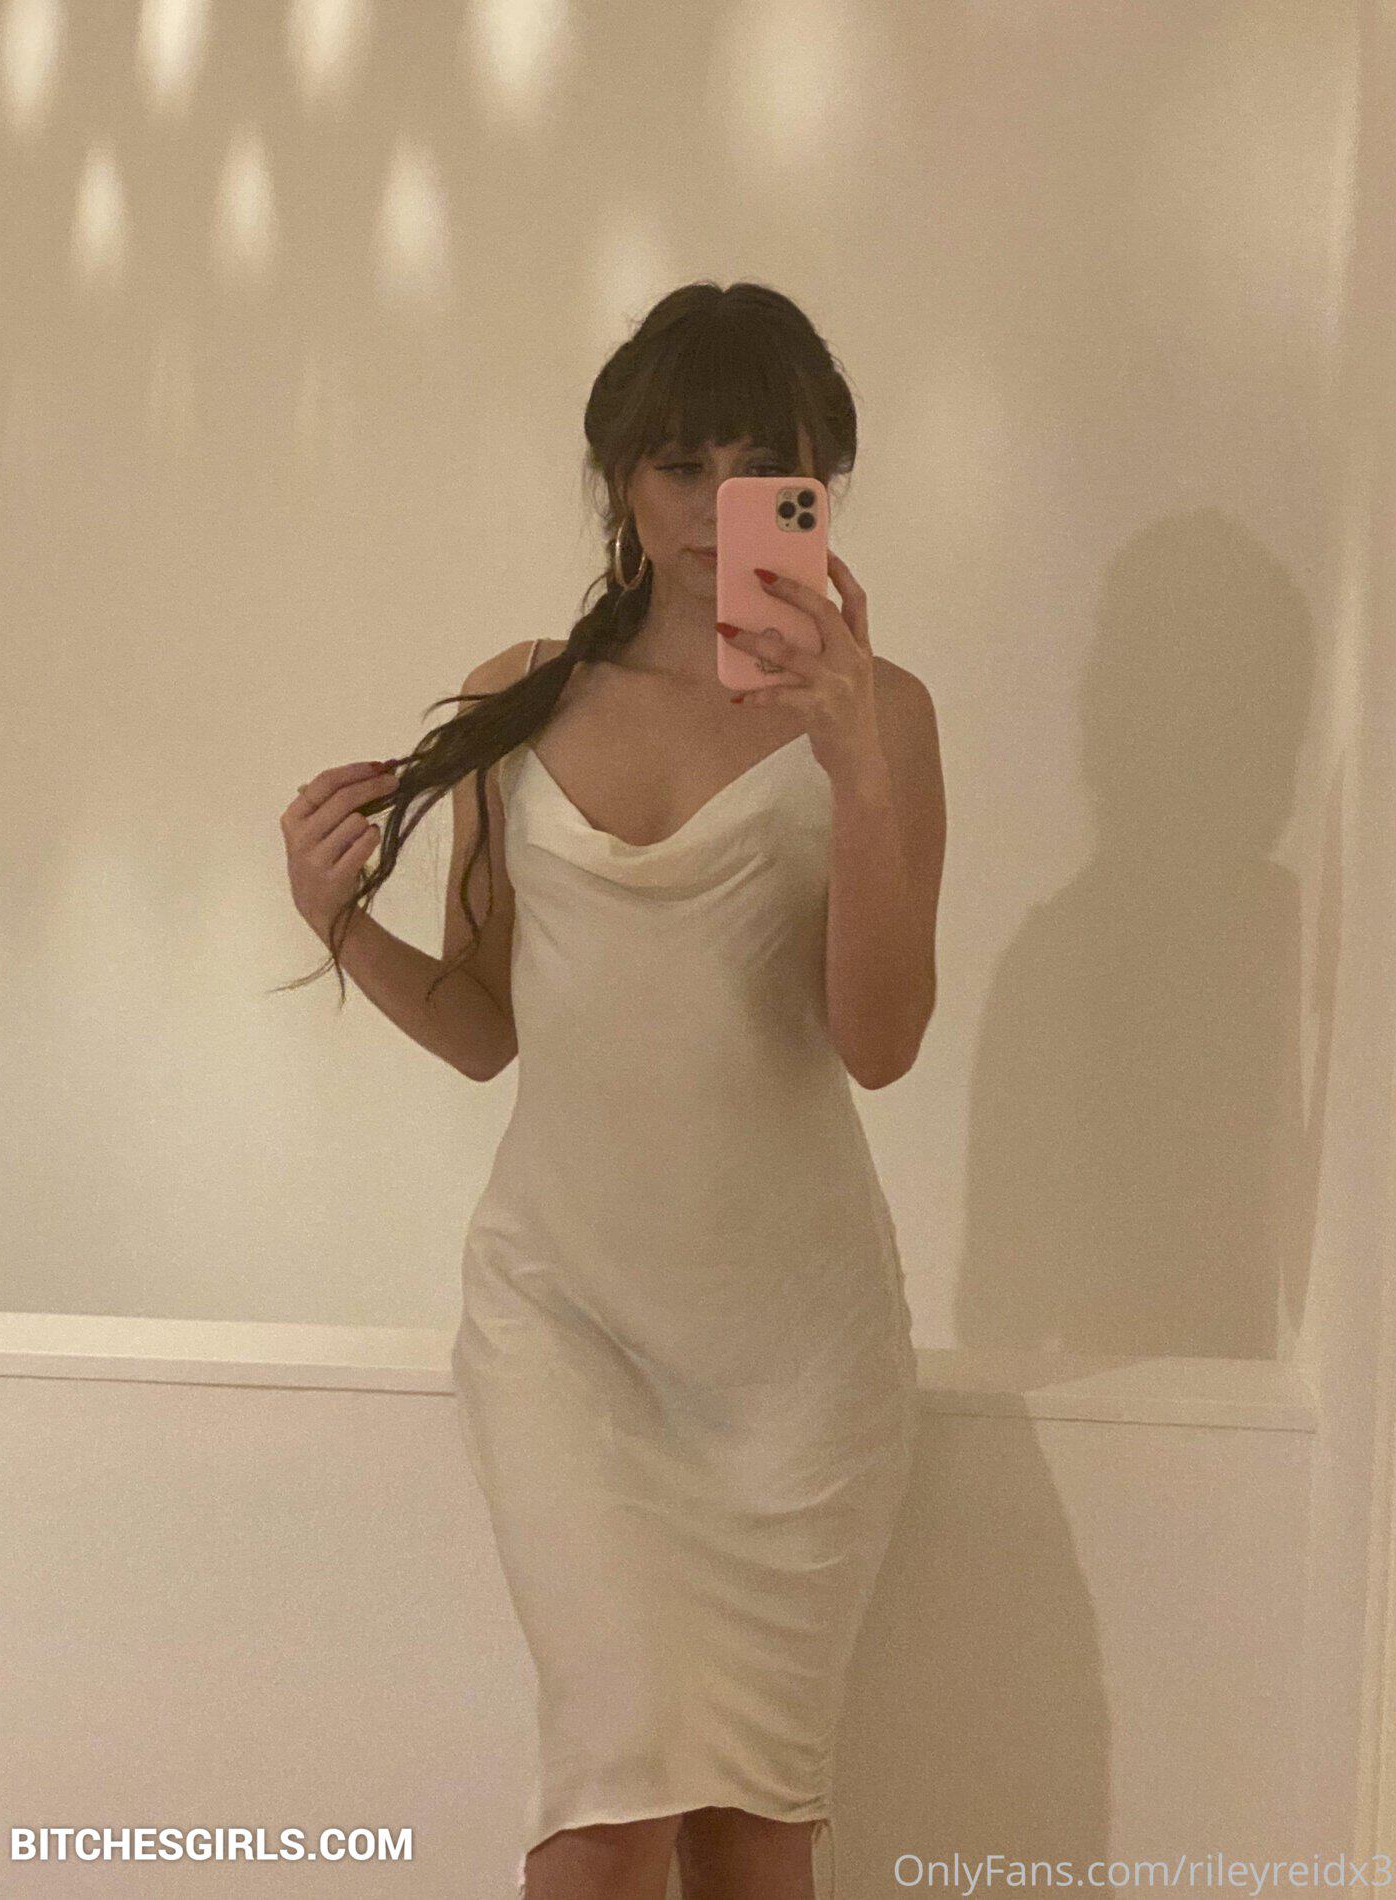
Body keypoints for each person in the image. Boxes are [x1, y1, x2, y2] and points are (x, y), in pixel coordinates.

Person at [277, 281, 947, 1900]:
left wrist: (854, 770)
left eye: (761, 466)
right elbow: (483, 1027)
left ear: (821, 484)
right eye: (676, 463)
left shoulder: (886, 720)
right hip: (564, 1327)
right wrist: (336, 922)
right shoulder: (523, 697)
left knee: (752, 1842)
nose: (714, 507)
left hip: (797, 1360)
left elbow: (878, 1041)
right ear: (618, 482)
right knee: (603, 1825)